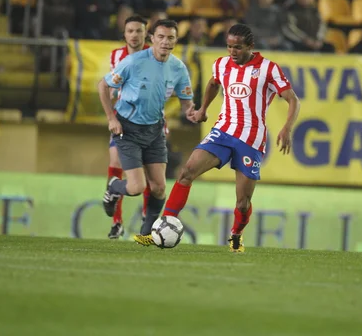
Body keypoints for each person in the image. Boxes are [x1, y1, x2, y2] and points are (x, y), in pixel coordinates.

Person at [134, 24, 301, 252]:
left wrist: (286, 128)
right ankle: (162, 226)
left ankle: (236, 234)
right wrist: (203, 109)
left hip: (250, 140)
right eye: (229, 46)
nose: (232, 51)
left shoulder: (268, 68)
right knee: (186, 173)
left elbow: (293, 99)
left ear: (250, 47)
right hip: (223, 131)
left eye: (238, 47)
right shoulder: (222, 64)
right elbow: (214, 83)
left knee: (242, 203)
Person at [98, 19, 198, 240]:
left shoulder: (179, 68)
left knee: (159, 188)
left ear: (176, 40)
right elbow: (103, 86)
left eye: (170, 37)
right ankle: (115, 186)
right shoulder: (133, 61)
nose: (165, 42)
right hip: (128, 129)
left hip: (154, 130)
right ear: (152, 38)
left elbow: (186, 103)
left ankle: (146, 235)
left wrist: (193, 113)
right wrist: (110, 119)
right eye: (161, 37)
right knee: (135, 187)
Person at [104, 15, 151, 239]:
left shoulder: (156, 55)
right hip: (123, 118)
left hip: (150, 119)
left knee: (150, 172)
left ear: (145, 34)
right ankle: (117, 222)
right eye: (130, 31)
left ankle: (146, 220)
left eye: (138, 31)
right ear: (124, 34)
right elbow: (113, 84)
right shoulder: (117, 55)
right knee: (115, 163)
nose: (134, 35)